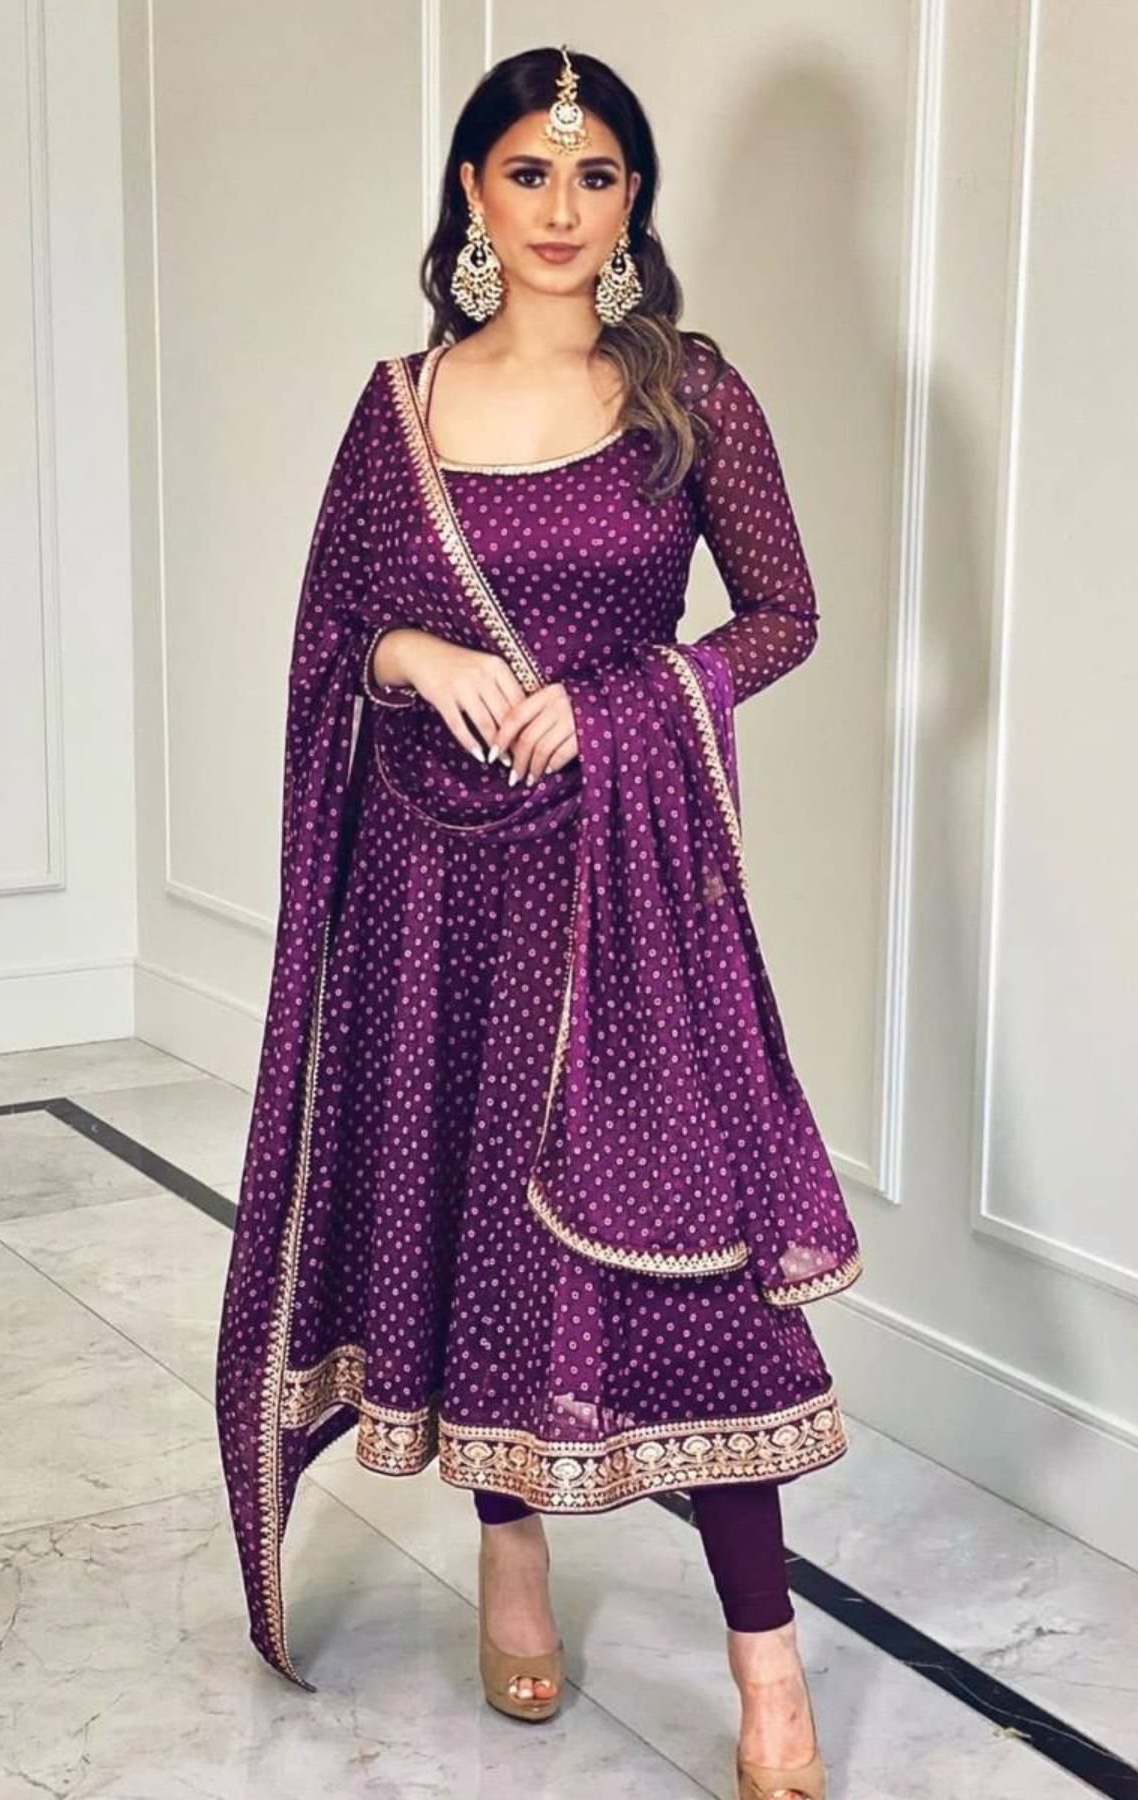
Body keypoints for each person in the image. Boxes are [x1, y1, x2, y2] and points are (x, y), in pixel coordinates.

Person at [214, 42, 862, 1800]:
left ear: (632, 201)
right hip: (429, 893)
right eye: (526, 174)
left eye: (594, 177)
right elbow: (332, 637)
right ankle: (511, 1553)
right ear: (471, 196)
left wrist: (625, 702)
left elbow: (783, 617)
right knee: (482, 1234)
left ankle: (766, 1663)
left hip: (621, 884)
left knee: (685, 1262)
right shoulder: (399, 405)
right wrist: (409, 653)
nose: (561, 210)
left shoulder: (688, 395)